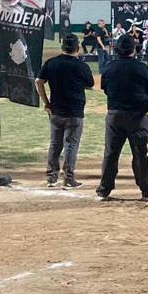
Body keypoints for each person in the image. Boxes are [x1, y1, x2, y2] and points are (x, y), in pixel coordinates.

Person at [96, 34, 148, 201]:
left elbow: (105, 89)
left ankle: (104, 190)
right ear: (134, 49)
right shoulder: (142, 68)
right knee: (140, 154)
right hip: (137, 115)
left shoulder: (109, 67)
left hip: (114, 114)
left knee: (111, 153)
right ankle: (146, 189)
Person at [36, 34, 94, 189]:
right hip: (74, 112)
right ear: (77, 48)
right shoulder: (81, 66)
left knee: (55, 144)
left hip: (55, 110)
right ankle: (68, 178)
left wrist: (46, 103)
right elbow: (90, 84)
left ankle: (51, 177)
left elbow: (38, 81)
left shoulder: (51, 63)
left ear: (62, 47)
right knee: (71, 145)